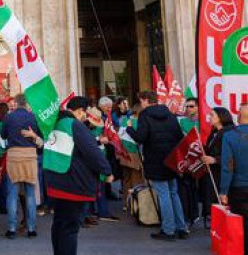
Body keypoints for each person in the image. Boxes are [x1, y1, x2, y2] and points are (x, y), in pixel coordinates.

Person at [44, 96, 113, 255]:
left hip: (56, 181)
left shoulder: (55, 123)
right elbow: (92, 152)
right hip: (74, 184)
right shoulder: (74, 124)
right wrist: (107, 171)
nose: (85, 117)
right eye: (86, 113)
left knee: (59, 224)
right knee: (70, 228)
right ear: (81, 111)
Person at [126, 90, 187, 241]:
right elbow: (180, 137)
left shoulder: (145, 115)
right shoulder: (170, 115)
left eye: (141, 101)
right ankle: (181, 228)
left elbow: (140, 137)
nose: (141, 104)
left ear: (146, 100)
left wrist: (129, 129)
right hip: (171, 159)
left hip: (155, 159)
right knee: (173, 192)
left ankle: (168, 230)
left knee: (164, 194)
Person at [0, 93, 42, 239]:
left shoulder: (9, 117)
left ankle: (11, 229)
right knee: (30, 194)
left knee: (12, 194)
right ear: (27, 103)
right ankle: (31, 229)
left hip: (14, 156)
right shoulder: (33, 117)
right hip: (30, 156)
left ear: (16, 103)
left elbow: (3, 135)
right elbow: (40, 137)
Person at [202, 106, 235, 227]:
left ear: (220, 118)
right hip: (213, 174)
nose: (209, 117)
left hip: (223, 173)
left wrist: (215, 159)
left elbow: (232, 155)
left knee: (223, 202)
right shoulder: (214, 132)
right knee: (215, 202)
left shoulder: (229, 132)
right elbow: (210, 150)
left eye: (212, 115)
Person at [220, 103, 248, 242]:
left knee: (240, 228)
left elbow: (227, 166)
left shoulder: (230, 136)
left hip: (238, 188)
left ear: (238, 116)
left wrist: (223, 191)